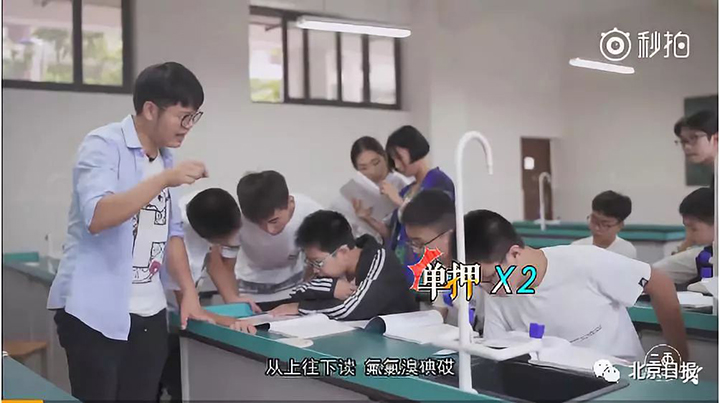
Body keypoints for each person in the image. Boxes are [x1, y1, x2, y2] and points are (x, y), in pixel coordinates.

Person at [46, 62, 215, 402]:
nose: (187, 127)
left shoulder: (166, 159)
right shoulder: (103, 145)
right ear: (150, 110)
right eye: (182, 117)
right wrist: (163, 180)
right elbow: (98, 215)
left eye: (193, 117)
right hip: (94, 312)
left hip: (150, 313)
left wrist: (188, 293)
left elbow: (172, 234)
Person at [464, 209, 688, 362]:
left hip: (620, 379)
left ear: (514, 253)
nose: (487, 288)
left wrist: (678, 357)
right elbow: (496, 355)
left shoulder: (584, 262)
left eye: (490, 277)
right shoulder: (496, 293)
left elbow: (660, 283)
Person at [188, 171, 323, 310]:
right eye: (259, 224)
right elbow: (226, 265)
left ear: (290, 203)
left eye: (274, 221)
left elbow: (326, 254)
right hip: (251, 295)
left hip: (296, 289)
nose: (269, 230)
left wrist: (309, 290)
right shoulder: (239, 220)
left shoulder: (310, 211)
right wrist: (234, 300)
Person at [260, 210, 419, 321]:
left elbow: (349, 309)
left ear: (342, 252)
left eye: (318, 262)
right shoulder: (330, 267)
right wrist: (331, 288)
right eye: (311, 262)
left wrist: (300, 308)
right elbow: (299, 291)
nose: (314, 269)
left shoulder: (380, 260)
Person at [355, 126, 455, 284]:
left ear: (414, 150)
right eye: (393, 160)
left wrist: (398, 200)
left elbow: (433, 224)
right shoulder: (406, 191)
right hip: (402, 266)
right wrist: (368, 219)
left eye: (399, 158)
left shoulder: (440, 181)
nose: (397, 165)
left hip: (426, 268)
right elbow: (394, 234)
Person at [401, 189, 484, 329]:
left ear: (448, 236)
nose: (416, 250)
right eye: (412, 243)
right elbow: (439, 312)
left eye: (420, 243)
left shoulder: (482, 268)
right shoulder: (437, 266)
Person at [330, 136, 410, 242]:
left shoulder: (402, 182)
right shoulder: (359, 189)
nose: (372, 171)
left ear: (385, 156)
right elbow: (389, 236)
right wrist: (367, 218)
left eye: (376, 163)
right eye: (363, 168)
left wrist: (399, 201)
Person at [673, 110, 717, 254]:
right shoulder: (715, 177)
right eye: (683, 141)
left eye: (694, 138)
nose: (687, 147)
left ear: (716, 138)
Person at [654, 188, 715, 286]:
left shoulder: (702, 254)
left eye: (694, 229)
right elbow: (656, 273)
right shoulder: (702, 255)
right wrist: (686, 245)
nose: (688, 235)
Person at [571, 191, 637, 259]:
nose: (596, 228)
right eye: (594, 221)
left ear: (620, 225)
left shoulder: (626, 251)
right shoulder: (577, 247)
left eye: (605, 225)